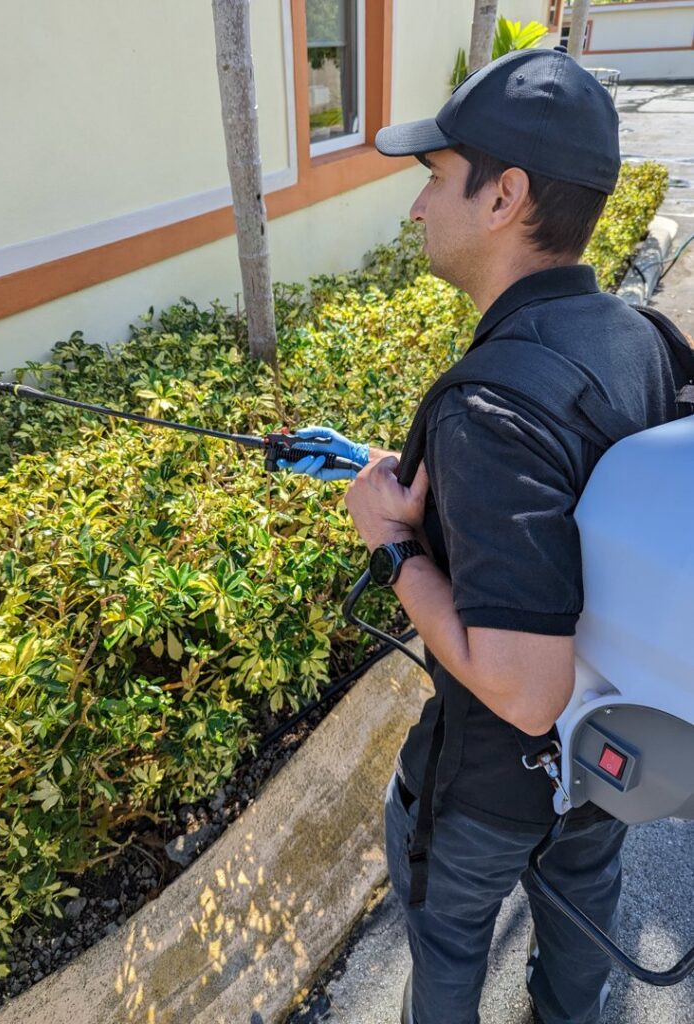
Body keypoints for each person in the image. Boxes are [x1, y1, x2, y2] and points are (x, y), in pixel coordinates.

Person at [280, 47, 680, 1024]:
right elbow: (572, 481)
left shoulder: (488, 403)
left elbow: (526, 687)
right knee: (583, 913)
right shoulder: (631, 334)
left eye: (433, 179)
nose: (418, 207)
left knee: (448, 930)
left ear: (504, 195)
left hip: (492, 772)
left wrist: (395, 545)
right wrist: (410, 469)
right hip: (604, 745)